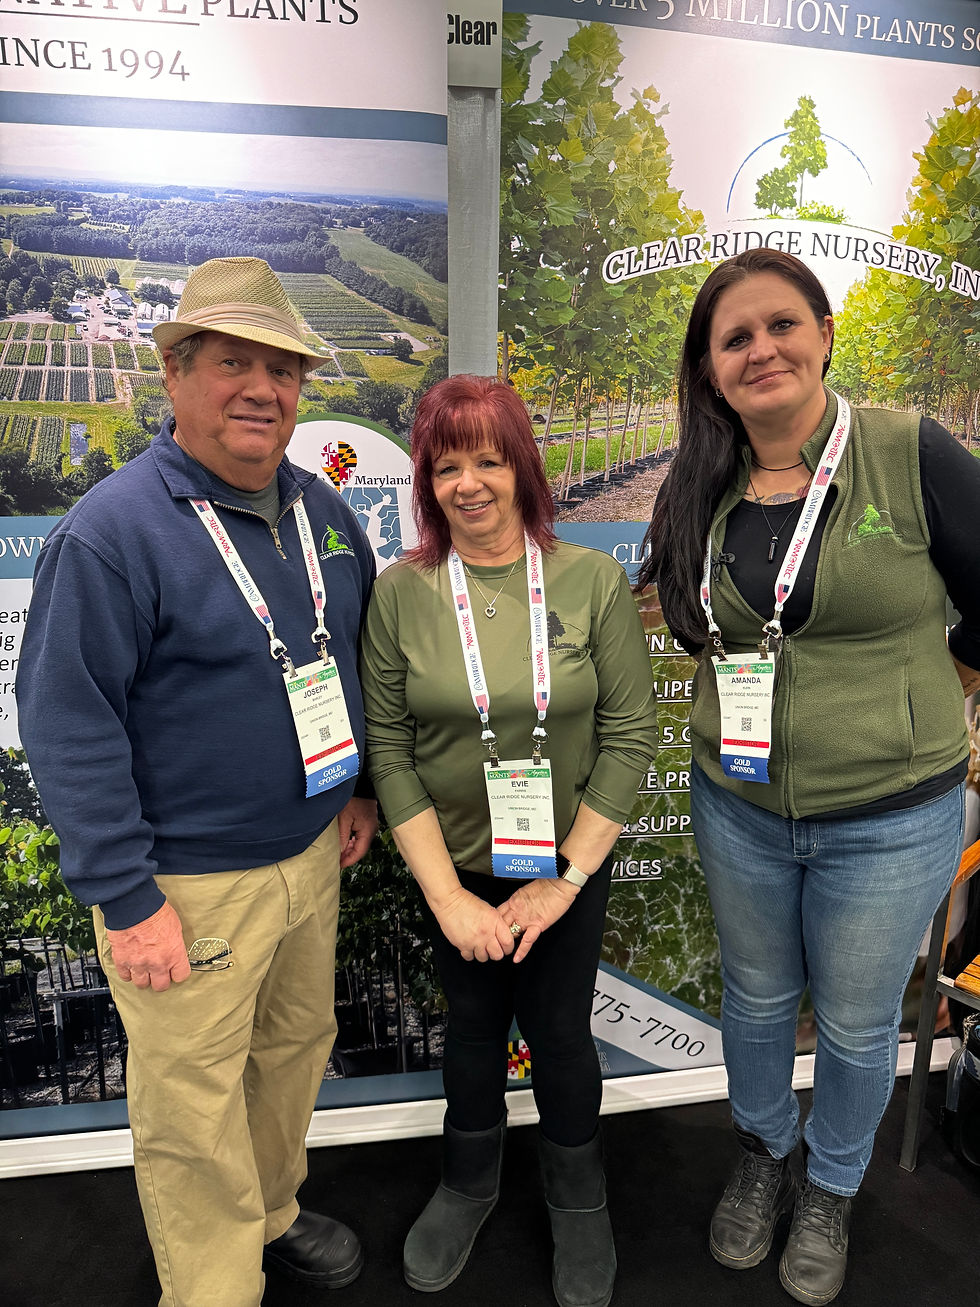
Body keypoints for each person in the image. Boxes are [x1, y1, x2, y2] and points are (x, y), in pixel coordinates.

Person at [16, 257, 379, 1307]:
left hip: (311, 855)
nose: (262, 388)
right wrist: (127, 902)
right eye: (232, 362)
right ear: (175, 374)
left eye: (282, 368)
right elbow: (67, 723)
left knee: (291, 1052)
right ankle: (214, 1288)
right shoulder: (110, 534)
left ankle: (269, 1211)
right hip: (185, 887)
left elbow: (346, 656)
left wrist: (352, 786)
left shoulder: (320, 512)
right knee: (191, 1107)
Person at [637, 247, 980, 1306]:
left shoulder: (904, 449)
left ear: (822, 332)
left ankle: (828, 1185)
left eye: (779, 324)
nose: (760, 349)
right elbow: (685, 618)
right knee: (753, 1000)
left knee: (855, 1018)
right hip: (737, 802)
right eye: (733, 338)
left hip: (891, 812)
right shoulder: (702, 474)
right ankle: (761, 1150)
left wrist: (938, 687)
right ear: (709, 369)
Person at [359, 375, 658, 1307]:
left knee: (564, 1031)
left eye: (488, 458)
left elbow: (631, 734)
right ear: (427, 481)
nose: (470, 482)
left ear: (523, 465)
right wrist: (449, 896)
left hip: (566, 866)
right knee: (475, 1028)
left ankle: (579, 1198)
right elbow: (390, 747)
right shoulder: (402, 592)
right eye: (447, 465)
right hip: (450, 868)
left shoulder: (591, 579)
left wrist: (564, 880)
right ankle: (469, 1180)